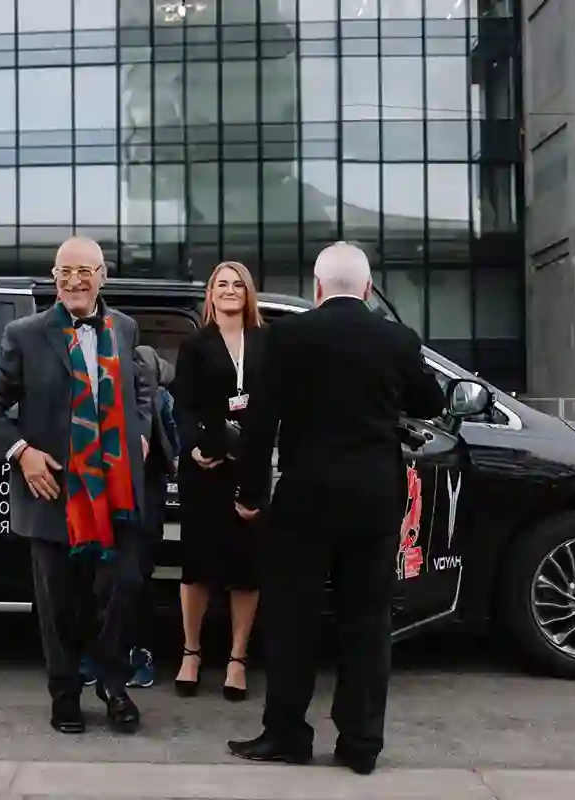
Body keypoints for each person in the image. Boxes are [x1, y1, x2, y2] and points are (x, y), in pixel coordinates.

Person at [227, 242, 446, 775]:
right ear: (368, 289)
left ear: (317, 288)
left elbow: (260, 425)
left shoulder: (287, 337)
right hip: (374, 497)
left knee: (293, 621)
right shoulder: (396, 339)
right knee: (367, 622)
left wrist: (250, 494)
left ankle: (287, 735)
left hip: (305, 497)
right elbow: (432, 402)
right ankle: (361, 744)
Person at [0, 235, 153, 735]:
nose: (74, 281)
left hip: (116, 494)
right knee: (59, 605)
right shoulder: (25, 334)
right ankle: (66, 694)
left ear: (102, 277)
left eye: (84, 271)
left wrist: (139, 434)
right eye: (65, 272)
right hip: (55, 494)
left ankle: (113, 686)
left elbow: (140, 389)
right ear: (54, 278)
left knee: (121, 591)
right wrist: (22, 453)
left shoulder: (124, 328)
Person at [170, 261, 267, 703]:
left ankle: (236, 659)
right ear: (210, 294)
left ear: (248, 294)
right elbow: (181, 404)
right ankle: (191, 653)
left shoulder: (266, 342)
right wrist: (192, 445)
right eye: (221, 284)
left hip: (250, 465)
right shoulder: (195, 343)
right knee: (197, 563)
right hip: (204, 465)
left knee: (246, 568)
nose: (229, 290)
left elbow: (276, 403)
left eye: (237, 285)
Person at [126, 343, 180, 689]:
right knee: (110, 572)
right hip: (110, 481)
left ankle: (136, 651)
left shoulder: (153, 386)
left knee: (134, 572)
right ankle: (127, 653)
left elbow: (172, 442)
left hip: (144, 484)